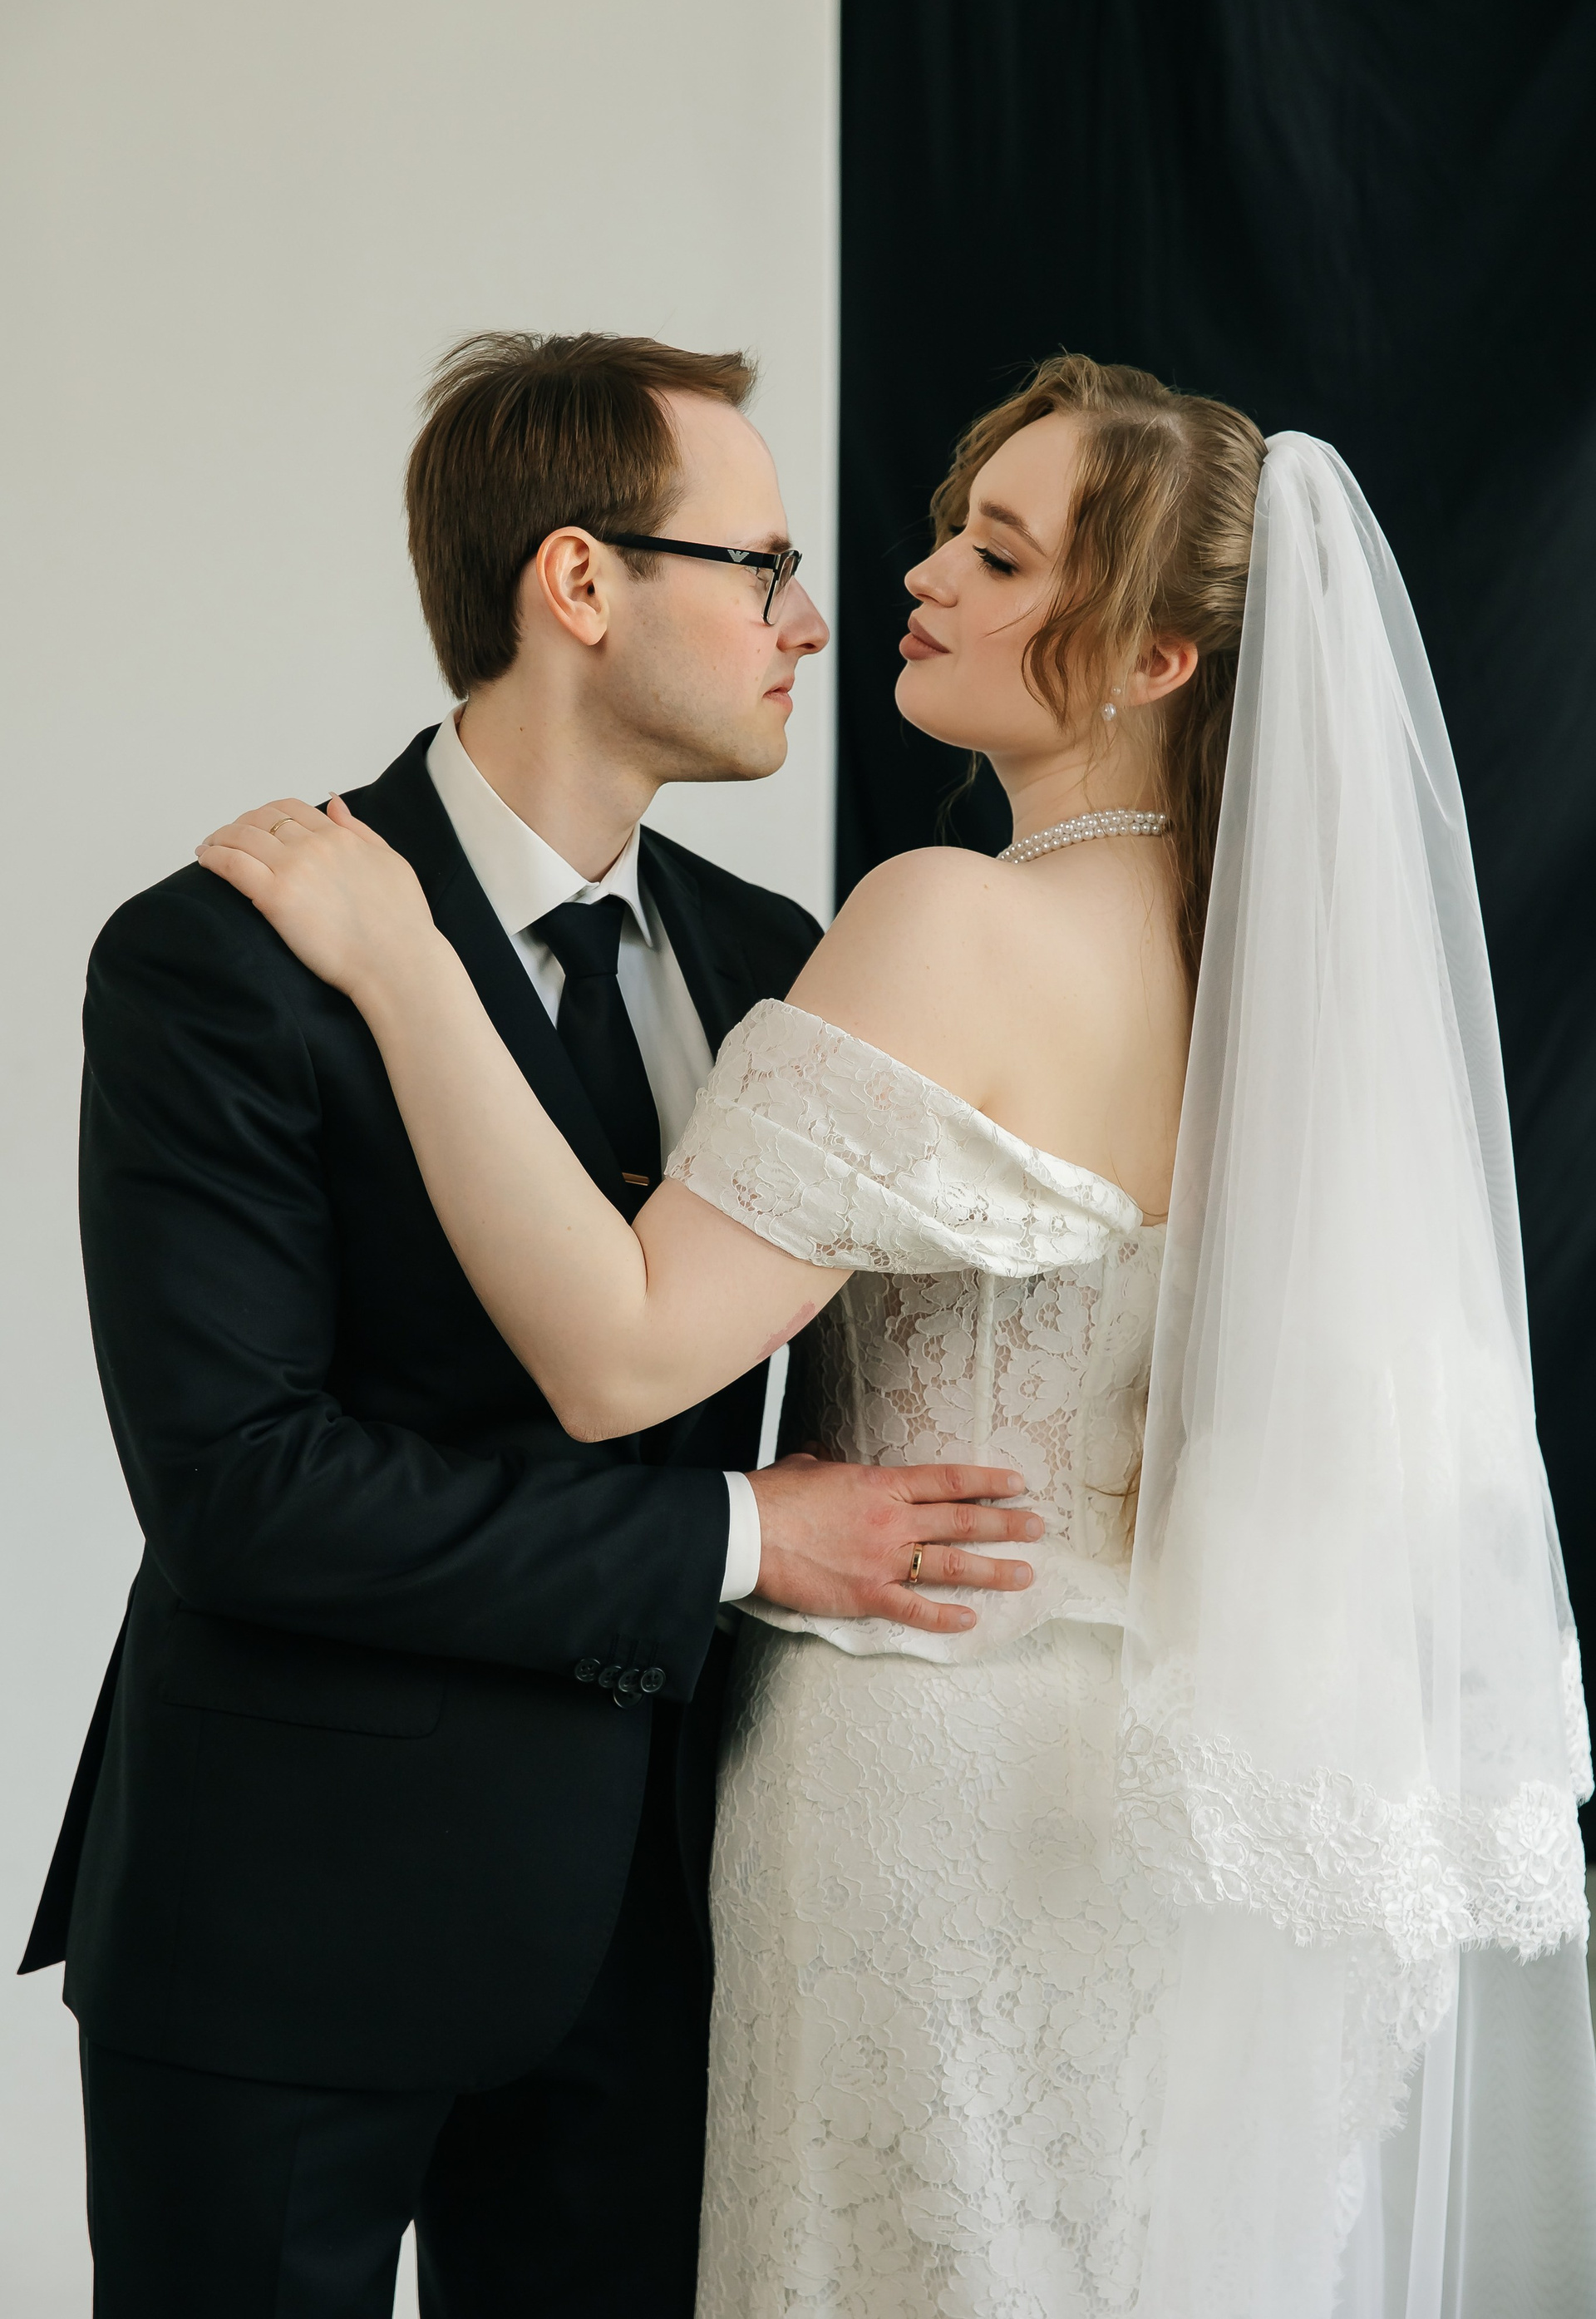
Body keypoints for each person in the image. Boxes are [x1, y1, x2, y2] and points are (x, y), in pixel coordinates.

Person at [197, 354, 1596, 2317]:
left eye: (1000, 557)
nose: (917, 578)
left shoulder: (945, 917)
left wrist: (402, 962)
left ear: (1155, 660)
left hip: (919, 1762)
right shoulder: (1279, 981)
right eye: (953, 530)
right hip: (1150, 1786)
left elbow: (622, 1352)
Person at [20, 332, 1046, 2319]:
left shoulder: (776, 963)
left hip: (653, 1943)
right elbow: (244, 1491)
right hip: (281, 1923)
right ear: (578, 580)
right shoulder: (217, 958)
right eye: (761, 566)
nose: (810, 620)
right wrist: (742, 1535)